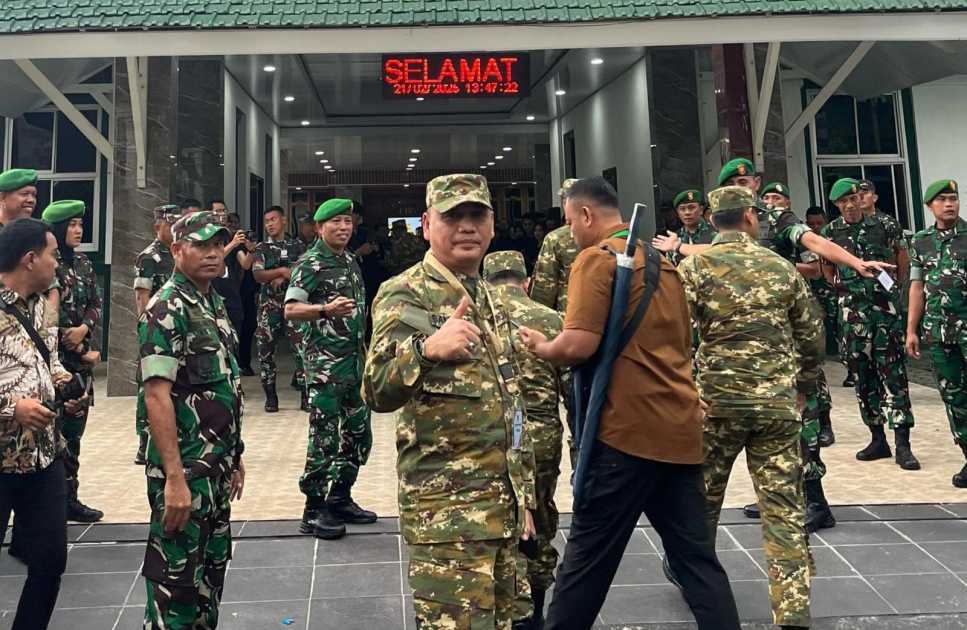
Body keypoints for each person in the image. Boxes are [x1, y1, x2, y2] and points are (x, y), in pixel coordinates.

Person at [519, 177, 740, 630]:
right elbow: (683, 343)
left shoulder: (596, 260)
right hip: (679, 432)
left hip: (625, 436)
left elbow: (578, 344)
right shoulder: (664, 264)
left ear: (585, 215)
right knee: (697, 562)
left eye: (570, 222)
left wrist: (543, 347)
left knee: (585, 564)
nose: (571, 233)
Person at [363, 174, 538, 629]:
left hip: (501, 513)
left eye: (477, 215)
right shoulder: (406, 293)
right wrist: (425, 350)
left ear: (493, 225)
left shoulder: (490, 295)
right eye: (452, 216)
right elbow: (375, 388)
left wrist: (524, 499)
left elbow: (510, 402)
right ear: (426, 225)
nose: (466, 227)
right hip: (447, 520)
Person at [677, 185, 822, 630]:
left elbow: (673, 333)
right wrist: (803, 385)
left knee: (702, 506)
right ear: (750, 217)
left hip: (716, 405)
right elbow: (812, 335)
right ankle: (792, 613)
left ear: (711, 220)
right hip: (776, 406)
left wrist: (685, 390)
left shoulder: (693, 267)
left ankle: (702, 594)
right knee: (783, 510)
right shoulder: (780, 267)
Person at [138, 211, 245, 629]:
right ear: (177, 250)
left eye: (218, 244)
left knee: (208, 585)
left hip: (215, 469)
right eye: (201, 245)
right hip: (186, 472)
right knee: (175, 592)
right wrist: (174, 479)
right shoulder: (167, 307)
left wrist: (236, 455)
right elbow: (156, 395)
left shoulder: (212, 302)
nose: (213, 253)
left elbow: (225, 385)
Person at [0, 218, 85, 630]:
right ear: (30, 259)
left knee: (50, 561)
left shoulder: (41, 307)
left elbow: (46, 362)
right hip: (2, 460)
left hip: (43, 457)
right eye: (52, 255)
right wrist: (10, 408)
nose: (58, 263)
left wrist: (68, 387)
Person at [285, 198, 375, 540]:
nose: (343, 227)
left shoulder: (349, 260)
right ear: (320, 228)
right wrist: (324, 310)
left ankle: (339, 497)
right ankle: (313, 508)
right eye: (335, 222)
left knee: (358, 435)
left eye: (347, 222)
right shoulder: (310, 264)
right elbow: (291, 309)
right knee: (324, 439)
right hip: (325, 368)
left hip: (354, 365)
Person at [483, 250, 564, 630]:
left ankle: (502, 607)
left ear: (486, 284)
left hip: (492, 434)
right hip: (541, 434)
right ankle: (536, 609)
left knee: (495, 517)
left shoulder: (475, 318)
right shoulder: (551, 319)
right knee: (539, 517)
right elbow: (573, 389)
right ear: (526, 282)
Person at [823, 178, 919, 470]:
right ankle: (878, 439)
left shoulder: (886, 226)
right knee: (862, 379)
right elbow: (827, 267)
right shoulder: (831, 232)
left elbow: (901, 259)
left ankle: (903, 444)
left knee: (894, 377)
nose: (850, 205)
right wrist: (844, 291)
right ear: (836, 205)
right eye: (843, 202)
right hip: (852, 317)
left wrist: (892, 289)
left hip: (884, 315)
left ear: (861, 198)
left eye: (854, 198)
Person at [43, 200, 104, 524]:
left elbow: (95, 303)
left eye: (80, 224)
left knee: (74, 436)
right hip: (54, 366)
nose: (79, 230)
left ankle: (70, 498)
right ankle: (50, 502)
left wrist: (84, 329)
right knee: (52, 437)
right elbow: (40, 316)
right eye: (72, 225)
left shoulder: (83, 263)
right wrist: (70, 338)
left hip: (79, 367)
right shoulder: (46, 265)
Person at [907, 180, 967, 486]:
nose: (949, 204)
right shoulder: (921, 241)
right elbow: (917, 287)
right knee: (953, 397)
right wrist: (911, 330)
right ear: (930, 206)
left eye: (953, 198)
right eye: (942, 199)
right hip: (940, 333)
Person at [133, 204, 182, 464]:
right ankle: (144, 440)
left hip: (178, 328)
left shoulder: (180, 253)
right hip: (156, 330)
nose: (173, 229)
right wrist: (147, 331)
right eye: (169, 224)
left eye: (177, 224)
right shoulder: (149, 257)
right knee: (149, 386)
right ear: (157, 226)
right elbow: (142, 297)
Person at [252, 206, 306, 412]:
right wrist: (283, 271)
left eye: (273, 219)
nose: (270, 224)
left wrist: (281, 276)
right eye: (267, 221)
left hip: (295, 304)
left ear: (283, 220)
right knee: (266, 352)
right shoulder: (262, 248)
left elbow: (304, 271)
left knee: (301, 350)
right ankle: (271, 397)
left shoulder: (298, 246)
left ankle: (305, 395)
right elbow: (258, 275)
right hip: (269, 306)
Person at [530, 179, 580, 314]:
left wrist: (538, 317)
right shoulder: (604, 233)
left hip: (567, 316)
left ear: (565, 202)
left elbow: (544, 289)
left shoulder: (555, 239)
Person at [212, 212, 255, 368]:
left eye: (234, 223)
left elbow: (246, 264)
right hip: (214, 294)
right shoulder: (210, 241)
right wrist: (233, 244)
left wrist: (251, 250)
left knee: (235, 334)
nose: (231, 226)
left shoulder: (234, 243)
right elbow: (214, 258)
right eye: (228, 223)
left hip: (232, 295)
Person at [668, 189, 715, 266]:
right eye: (682, 209)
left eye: (691, 208)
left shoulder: (716, 233)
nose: (687, 212)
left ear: (701, 210)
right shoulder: (675, 238)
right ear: (677, 213)